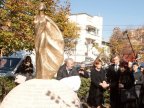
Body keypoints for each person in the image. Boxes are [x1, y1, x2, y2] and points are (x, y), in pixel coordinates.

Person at [34, 2, 64, 79]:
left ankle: (44, 72)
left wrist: (59, 38)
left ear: (44, 8)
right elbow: (35, 28)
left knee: (41, 52)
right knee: (37, 53)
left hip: (43, 36)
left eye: (42, 5)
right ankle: (39, 73)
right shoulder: (36, 17)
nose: (40, 6)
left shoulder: (46, 17)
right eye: (39, 5)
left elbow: (54, 27)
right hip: (37, 36)